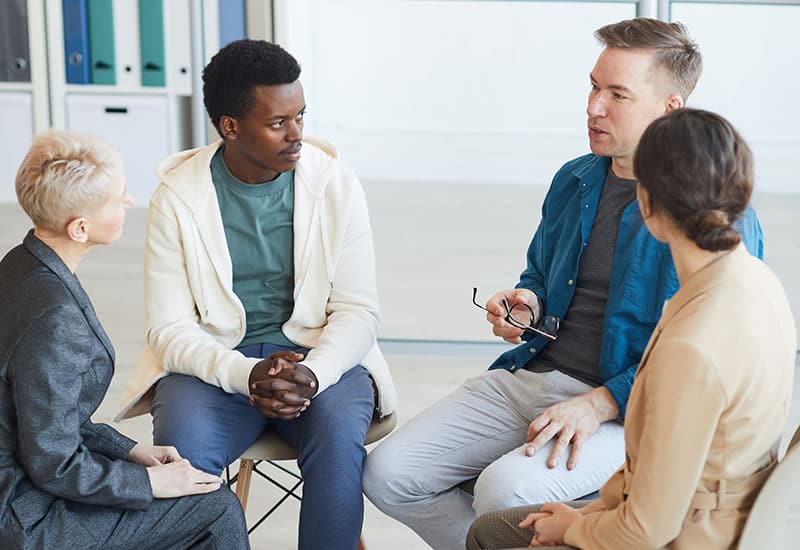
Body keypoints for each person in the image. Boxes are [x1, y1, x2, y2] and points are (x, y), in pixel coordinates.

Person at [362, 18, 764, 549]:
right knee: (388, 473)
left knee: (505, 491)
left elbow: (700, 363)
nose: (594, 106)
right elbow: (540, 274)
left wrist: (600, 401)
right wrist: (526, 301)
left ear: (671, 109)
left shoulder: (705, 214)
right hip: (531, 377)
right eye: (594, 86)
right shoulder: (574, 177)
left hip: (624, 412)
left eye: (618, 94)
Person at [466, 108, 797, 549]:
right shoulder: (756, 281)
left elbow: (646, 531)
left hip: (691, 534)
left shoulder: (691, 347)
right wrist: (590, 511)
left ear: (647, 205)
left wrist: (572, 527)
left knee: (489, 535)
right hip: (721, 511)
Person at [115, 39, 398, 550]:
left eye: (301, 117)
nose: (297, 135)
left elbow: (358, 309)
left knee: (338, 444)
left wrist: (313, 373)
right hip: (213, 364)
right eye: (278, 124)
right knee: (184, 459)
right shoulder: (176, 198)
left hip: (319, 358)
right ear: (230, 126)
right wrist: (245, 373)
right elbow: (168, 329)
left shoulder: (335, 183)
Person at [0, 131, 249, 550]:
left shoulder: (19, 264)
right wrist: (149, 481)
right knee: (215, 507)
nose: (130, 202)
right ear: (80, 228)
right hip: (23, 513)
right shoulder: (55, 317)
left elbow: (50, 420)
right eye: (118, 198)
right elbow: (54, 463)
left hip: (22, 477)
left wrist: (133, 452)